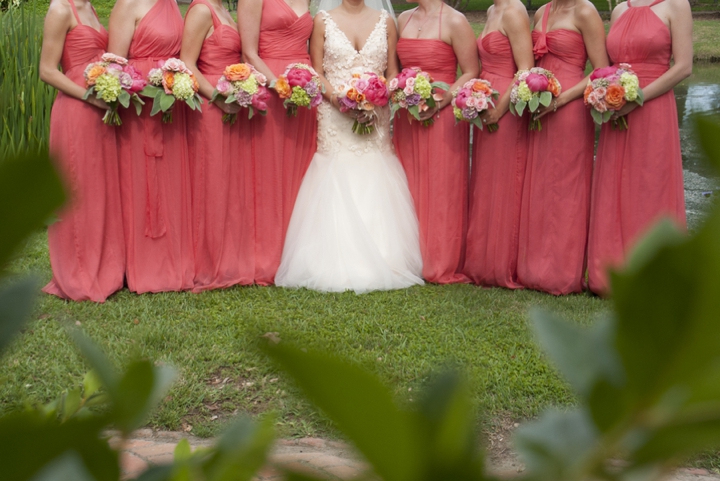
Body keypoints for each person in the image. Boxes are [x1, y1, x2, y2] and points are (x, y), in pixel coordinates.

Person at [274, 0, 424, 293]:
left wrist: (377, 96)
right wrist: (342, 101)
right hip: (334, 115)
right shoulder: (323, 21)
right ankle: (327, 258)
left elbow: (392, 71)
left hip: (375, 114)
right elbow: (316, 72)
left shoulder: (385, 21)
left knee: (374, 171)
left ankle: (385, 256)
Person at [586, 0, 692, 295]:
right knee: (615, 184)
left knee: (650, 185)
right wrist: (606, 95)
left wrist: (638, 97)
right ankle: (610, 272)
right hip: (617, 108)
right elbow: (607, 66)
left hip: (653, 107)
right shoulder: (620, 9)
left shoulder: (676, 5)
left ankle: (653, 273)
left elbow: (684, 66)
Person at [516, 0, 608, 295]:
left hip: (569, 106)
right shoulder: (542, 11)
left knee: (567, 185)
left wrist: (562, 99)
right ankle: (534, 268)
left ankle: (562, 272)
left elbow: (601, 69)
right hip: (540, 105)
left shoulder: (585, 11)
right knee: (540, 182)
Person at [39, 0, 125, 302]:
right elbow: (47, 71)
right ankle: (78, 270)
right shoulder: (61, 9)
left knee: (100, 189)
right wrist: (91, 98)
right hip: (76, 110)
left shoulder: (88, 6)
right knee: (78, 188)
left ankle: (103, 264)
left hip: (98, 108)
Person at [108, 0, 194, 293]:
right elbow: (115, 63)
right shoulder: (127, 4)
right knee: (142, 181)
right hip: (140, 103)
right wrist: (142, 85)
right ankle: (142, 264)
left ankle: (172, 260)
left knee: (169, 183)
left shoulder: (171, 4)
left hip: (170, 101)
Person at [393, 0, 479, 284]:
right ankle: (411, 256)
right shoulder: (403, 18)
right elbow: (394, 70)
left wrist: (438, 102)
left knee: (442, 187)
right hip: (408, 117)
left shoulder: (455, 21)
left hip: (441, 117)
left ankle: (440, 260)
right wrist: (402, 95)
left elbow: (470, 70)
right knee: (409, 184)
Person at [238, 0, 318, 286]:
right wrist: (278, 85)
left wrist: (304, 85)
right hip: (271, 88)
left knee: (299, 173)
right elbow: (248, 51)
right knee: (269, 173)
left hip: (303, 90)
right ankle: (265, 255)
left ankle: (296, 253)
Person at [181, 0, 255, 292]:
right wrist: (217, 97)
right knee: (210, 182)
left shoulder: (224, 9)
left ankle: (229, 256)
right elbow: (188, 63)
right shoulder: (201, 10)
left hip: (229, 102)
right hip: (210, 106)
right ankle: (208, 262)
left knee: (227, 183)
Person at [463, 0, 534, 288]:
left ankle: (502, 262)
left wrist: (501, 109)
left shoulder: (514, 11)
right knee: (486, 180)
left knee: (506, 179)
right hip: (486, 99)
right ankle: (481, 260)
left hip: (505, 104)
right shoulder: (494, 10)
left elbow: (526, 68)